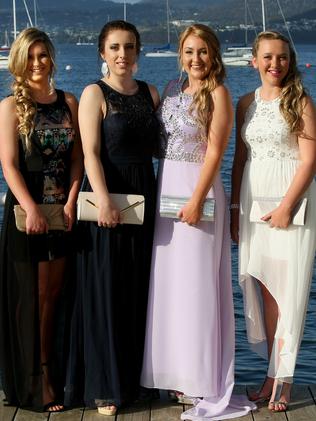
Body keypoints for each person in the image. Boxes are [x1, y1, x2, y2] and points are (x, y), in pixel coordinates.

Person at [141, 24, 255, 420]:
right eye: (189, 51)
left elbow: (216, 153)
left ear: (214, 54)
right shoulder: (172, 90)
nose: (196, 59)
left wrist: (195, 200)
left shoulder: (219, 94)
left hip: (198, 196)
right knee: (171, 286)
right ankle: (178, 376)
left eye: (203, 52)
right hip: (165, 194)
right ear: (180, 54)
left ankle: (205, 380)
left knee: (199, 286)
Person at [64, 20, 160, 416]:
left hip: (144, 196)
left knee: (140, 289)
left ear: (138, 53)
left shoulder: (151, 94)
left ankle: (138, 381)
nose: (123, 54)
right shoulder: (93, 93)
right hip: (106, 195)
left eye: (130, 47)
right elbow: (89, 153)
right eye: (115, 47)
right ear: (102, 53)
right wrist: (102, 201)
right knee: (105, 291)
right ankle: (104, 387)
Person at [231, 31, 316, 412]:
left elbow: (310, 160)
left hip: (291, 205)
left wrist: (286, 206)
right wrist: (234, 209)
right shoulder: (245, 102)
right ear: (254, 61)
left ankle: (284, 380)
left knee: (290, 292)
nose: (275, 64)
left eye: (282, 57)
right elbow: (238, 160)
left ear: (290, 61)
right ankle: (270, 374)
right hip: (252, 204)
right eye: (267, 57)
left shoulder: (300, 101)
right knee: (266, 287)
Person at [0, 28, 83, 412]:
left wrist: (72, 198)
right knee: (28, 298)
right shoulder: (9, 107)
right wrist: (31, 208)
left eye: (43, 55)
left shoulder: (68, 101)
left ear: (51, 57)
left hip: (62, 210)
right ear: (20, 61)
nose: (37, 63)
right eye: (30, 57)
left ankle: (50, 369)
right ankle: (29, 380)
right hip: (25, 212)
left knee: (54, 296)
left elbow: (78, 158)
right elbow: (9, 164)